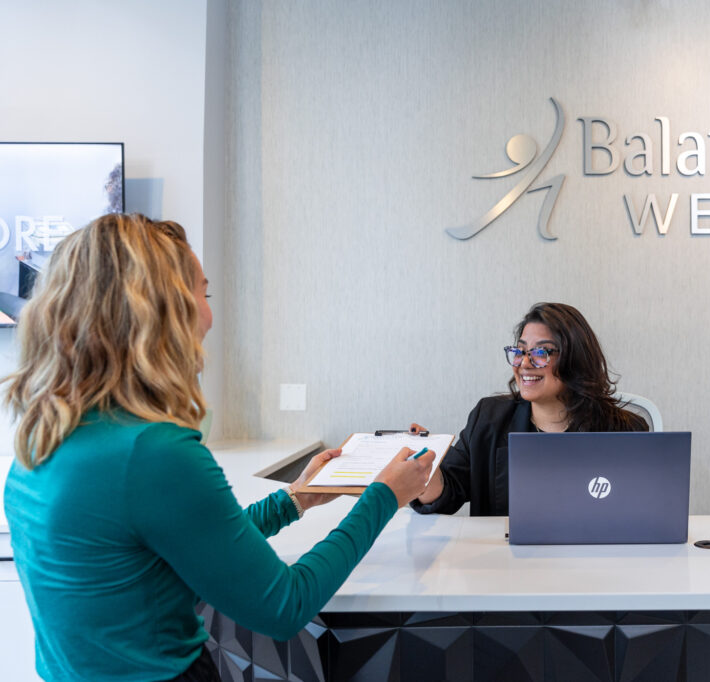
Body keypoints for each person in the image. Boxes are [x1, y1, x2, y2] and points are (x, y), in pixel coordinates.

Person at [2, 213, 435, 682]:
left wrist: (297, 498)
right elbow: (284, 606)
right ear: (159, 308)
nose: (209, 315)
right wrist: (384, 497)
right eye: (202, 294)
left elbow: (190, 547)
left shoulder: (44, 436)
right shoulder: (154, 452)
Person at [410, 301, 647, 517]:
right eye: (520, 351)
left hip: (594, 559)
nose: (524, 364)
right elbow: (447, 495)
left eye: (541, 353)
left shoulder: (626, 430)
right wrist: (426, 470)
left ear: (575, 360)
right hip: (508, 560)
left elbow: (640, 511)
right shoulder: (489, 418)